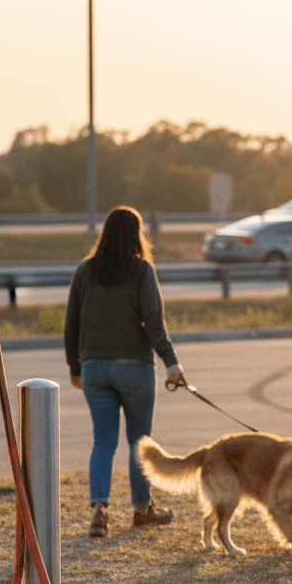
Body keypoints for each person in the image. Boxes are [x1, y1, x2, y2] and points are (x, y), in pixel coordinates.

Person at [64, 206, 186, 537]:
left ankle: (100, 510)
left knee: (103, 441)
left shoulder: (85, 271)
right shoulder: (141, 271)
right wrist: (171, 363)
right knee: (138, 440)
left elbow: (71, 324)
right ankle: (142, 509)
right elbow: (154, 322)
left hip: (94, 368)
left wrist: (76, 366)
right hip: (135, 368)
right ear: (136, 234)